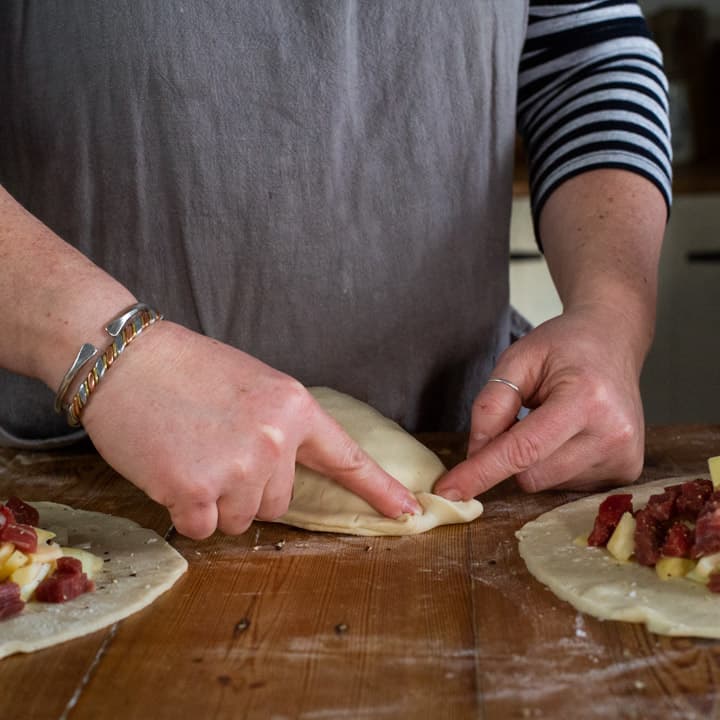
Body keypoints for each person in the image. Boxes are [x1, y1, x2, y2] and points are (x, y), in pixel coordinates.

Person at [0, 2, 671, 538]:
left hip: (458, 439)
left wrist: (613, 312)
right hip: (62, 471)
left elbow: (584, 60)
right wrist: (108, 351)